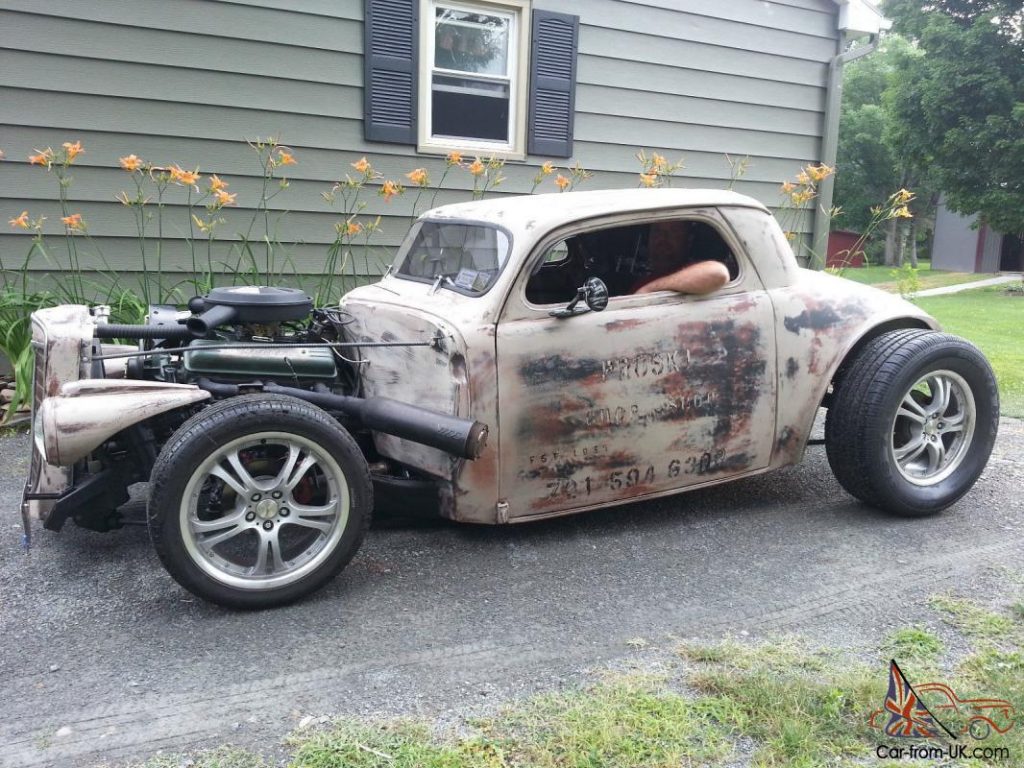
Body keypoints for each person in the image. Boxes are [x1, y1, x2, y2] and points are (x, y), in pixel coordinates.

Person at [632, 220, 730, 295]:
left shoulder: (692, 271)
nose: (663, 238)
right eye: (657, 231)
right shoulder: (640, 282)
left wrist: (649, 289)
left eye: (674, 231)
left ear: (688, 240)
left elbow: (718, 273)